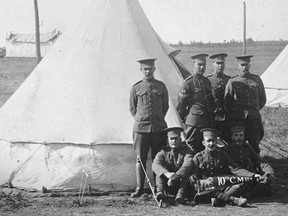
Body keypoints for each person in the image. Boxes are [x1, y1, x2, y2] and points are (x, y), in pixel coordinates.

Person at [190, 128, 261, 207]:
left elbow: (235, 169)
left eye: (213, 141)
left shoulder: (222, 155)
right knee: (199, 186)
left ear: (217, 142)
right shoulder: (198, 157)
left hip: (221, 184)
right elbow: (193, 175)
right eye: (208, 141)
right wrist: (200, 181)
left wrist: (252, 175)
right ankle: (232, 200)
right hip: (206, 187)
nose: (211, 143)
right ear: (203, 143)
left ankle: (219, 199)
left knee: (242, 181)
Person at [129, 58, 169, 198]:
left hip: (158, 128)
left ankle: (159, 188)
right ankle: (140, 188)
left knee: (158, 159)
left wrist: (157, 119)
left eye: (150, 69)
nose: (148, 71)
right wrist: (142, 119)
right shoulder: (136, 88)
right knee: (141, 159)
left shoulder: (161, 86)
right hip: (141, 129)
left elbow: (165, 106)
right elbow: (133, 108)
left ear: (154, 69)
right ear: (141, 70)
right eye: (145, 69)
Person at [224, 55, 266, 154]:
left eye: (246, 65)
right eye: (242, 65)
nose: (244, 67)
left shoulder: (256, 79)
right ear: (238, 66)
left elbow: (262, 99)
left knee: (254, 142)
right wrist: (235, 113)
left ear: (249, 65)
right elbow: (227, 102)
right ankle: (239, 163)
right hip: (238, 118)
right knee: (237, 142)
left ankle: (256, 164)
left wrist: (254, 110)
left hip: (254, 118)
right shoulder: (232, 81)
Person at [224, 123, 277, 198]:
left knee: (266, 180)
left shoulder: (247, 148)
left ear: (244, 136)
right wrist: (252, 175)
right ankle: (245, 194)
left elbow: (260, 162)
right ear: (232, 137)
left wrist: (269, 173)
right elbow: (235, 169)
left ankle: (248, 193)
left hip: (250, 177)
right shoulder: (227, 150)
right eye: (236, 135)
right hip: (235, 177)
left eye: (241, 135)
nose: (239, 138)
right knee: (240, 185)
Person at [177, 54, 215, 153]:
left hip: (206, 122)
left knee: (205, 149)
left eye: (204, 65)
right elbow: (181, 106)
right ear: (193, 64)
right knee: (191, 148)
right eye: (199, 65)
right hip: (194, 123)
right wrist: (188, 118)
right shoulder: (188, 83)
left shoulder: (206, 81)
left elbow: (210, 102)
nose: (202, 67)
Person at [152, 127, 196, 205]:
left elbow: (187, 165)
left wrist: (175, 176)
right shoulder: (163, 151)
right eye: (171, 139)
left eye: (176, 139)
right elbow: (155, 164)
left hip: (182, 184)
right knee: (161, 171)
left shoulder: (187, 151)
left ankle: (180, 195)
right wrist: (167, 173)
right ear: (168, 140)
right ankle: (160, 193)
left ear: (180, 139)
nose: (174, 141)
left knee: (186, 172)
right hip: (168, 184)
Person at [207, 53, 231, 142]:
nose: (220, 66)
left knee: (227, 140)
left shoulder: (229, 80)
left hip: (227, 117)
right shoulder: (208, 80)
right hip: (213, 117)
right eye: (217, 63)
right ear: (213, 64)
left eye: (222, 63)